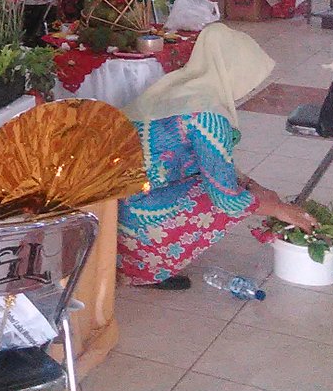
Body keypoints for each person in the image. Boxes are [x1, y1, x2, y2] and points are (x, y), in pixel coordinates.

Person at [117, 23, 317, 289]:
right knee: (220, 197)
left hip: (114, 209)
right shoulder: (208, 116)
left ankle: (134, 256)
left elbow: (217, 165)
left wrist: (258, 189)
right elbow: (226, 199)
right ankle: (145, 267)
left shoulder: (178, 89)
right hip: (137, 218)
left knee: (235, 186)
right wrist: (279, 209)